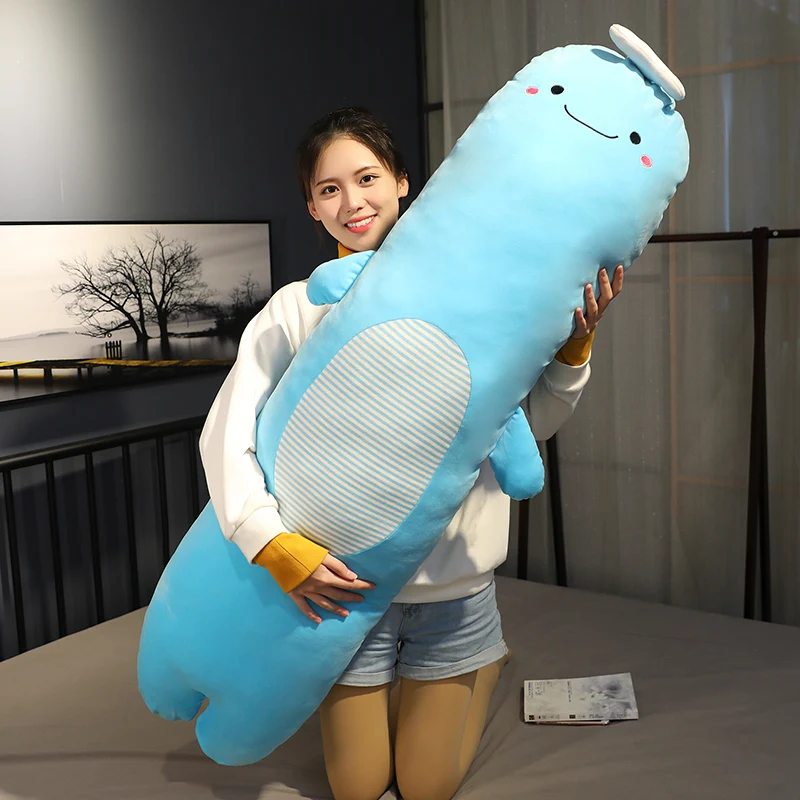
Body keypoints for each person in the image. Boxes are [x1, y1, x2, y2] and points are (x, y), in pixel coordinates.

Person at [198, 107, 623, 800]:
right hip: (348, 592)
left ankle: (484, 662)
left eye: (367, 178)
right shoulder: (298, 310)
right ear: (311, 206)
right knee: (359, 787)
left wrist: (574, 350)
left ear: (401, 182)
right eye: (329, 188)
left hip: (455, 589)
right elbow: (226, 432)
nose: (352, 201)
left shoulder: (474, 298)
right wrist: (269, 542)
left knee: (426, 787)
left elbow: (528, 426)